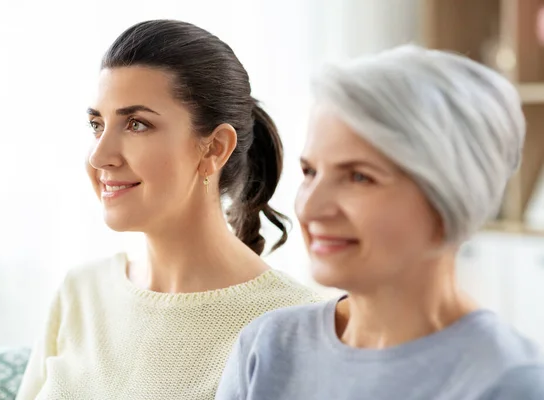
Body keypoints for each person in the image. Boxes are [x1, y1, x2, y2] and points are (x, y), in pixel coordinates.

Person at [215, 45, 544, 400]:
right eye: (310, 172)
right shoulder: (268, 347)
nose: (311, 207)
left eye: (358, 177)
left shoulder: (510, 382)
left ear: (448, 196)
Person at [16, 19, 321, 400]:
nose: (100, 155)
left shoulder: (296, 325)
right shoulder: (80, 293)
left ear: (214, 149)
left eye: (136, 124)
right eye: (97, 124)